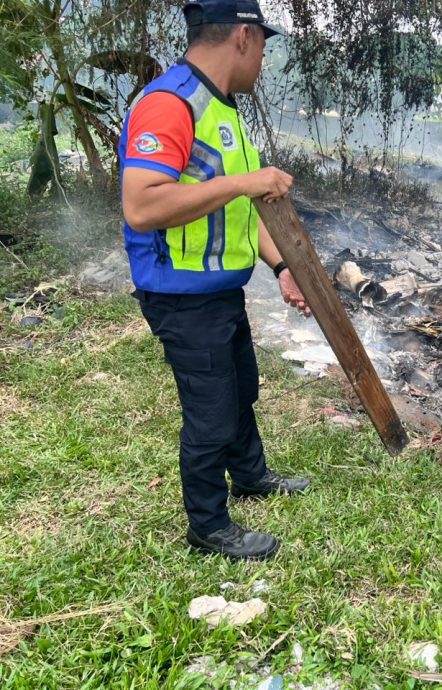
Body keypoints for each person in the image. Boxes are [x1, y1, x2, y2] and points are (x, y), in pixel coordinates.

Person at [119, 0, 311, 560]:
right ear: (243, 37)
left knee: (239, 389)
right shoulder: (169, 104)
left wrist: (281, 268)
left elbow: (244, 208)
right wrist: (243, 182)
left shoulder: (221, 108)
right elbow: (142, 206)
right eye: (264, 47)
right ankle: (208, 525)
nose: (263, 61)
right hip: (179, 293)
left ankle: (250, 475)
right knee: (210, 411)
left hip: (219, 289)